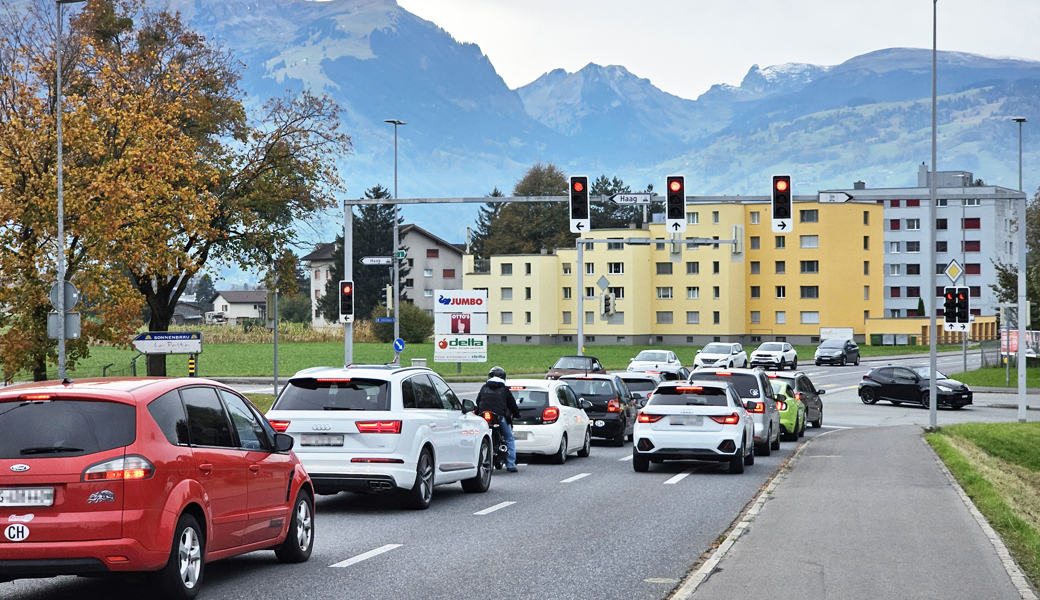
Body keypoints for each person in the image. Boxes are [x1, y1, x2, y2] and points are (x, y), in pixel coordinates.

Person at [475, 366, 521, 472]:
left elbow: (478, 402)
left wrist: (477, 413)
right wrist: (517, 414)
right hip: (499, 417)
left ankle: (479, 460)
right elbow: (512, 404)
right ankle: (510, 465)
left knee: (479, 438)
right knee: (509, 438)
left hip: (484, 417)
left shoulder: (484, 387)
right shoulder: (504, 389)